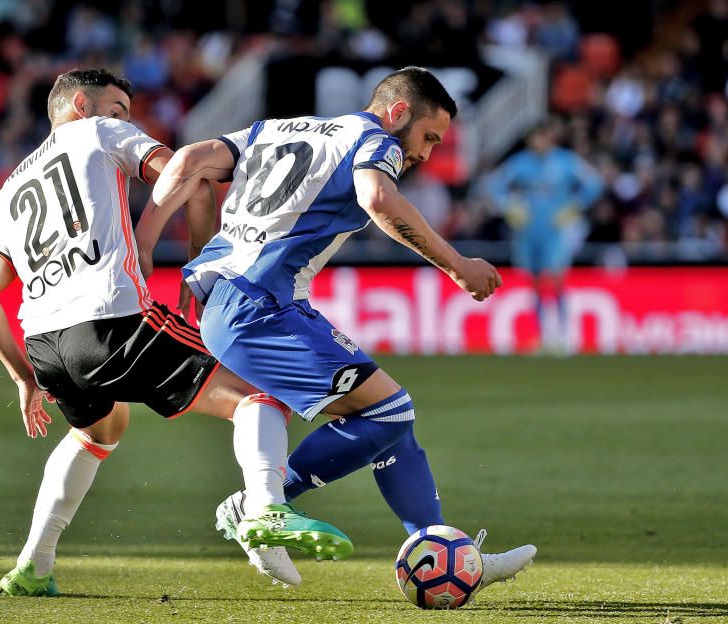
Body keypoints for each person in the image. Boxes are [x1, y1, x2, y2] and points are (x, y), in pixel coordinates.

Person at [135, 66, 536, 592]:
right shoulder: (376, 141)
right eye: (428, 137)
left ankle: (444, 549)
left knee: (394, 421)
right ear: (397, 114)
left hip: (248, 301)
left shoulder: (276, 129)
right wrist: (456, 263)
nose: (427, 153)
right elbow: (376, 199)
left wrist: (154, 248)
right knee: (391, 409)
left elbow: (188, 161)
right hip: (259, 305)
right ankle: (255, 506)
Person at [0, 68, 347, 596]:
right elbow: (191, 173)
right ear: (82, 104)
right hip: (111, 318)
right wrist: (199, 259)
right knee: (257, 395)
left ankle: (34, 565)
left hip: (45, 344)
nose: (127, 120)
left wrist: (24, 378)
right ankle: (266, 512)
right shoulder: (99, 130)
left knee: (101, 431)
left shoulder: (10, 189)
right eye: (120, 109)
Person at [484, 117, 603, 353]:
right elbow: (493, 185)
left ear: (549, 138)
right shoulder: (521, 163)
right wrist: (509, 206)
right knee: (536, 283)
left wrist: (574, 206)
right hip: (529, 232)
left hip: (556, 231)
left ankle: (565, 336)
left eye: (542, 136)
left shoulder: (566, 161)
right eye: (534, 138)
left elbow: (594, 183)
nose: (538, 142)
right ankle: (542, 336)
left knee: (557, 279)